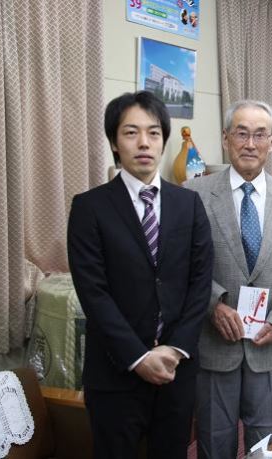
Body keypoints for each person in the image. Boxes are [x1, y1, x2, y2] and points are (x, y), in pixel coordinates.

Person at [67, 91, 214, 459]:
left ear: (164, 140)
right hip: (116, 372)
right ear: (115, 143)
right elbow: (93, 292)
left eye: (153, 132)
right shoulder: (89, 207)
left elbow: (200, 282)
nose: (144, 142)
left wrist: (174, 349)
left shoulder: (189, 204)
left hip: (175, 371)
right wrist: (138, 357)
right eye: (131, 133)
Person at [185, 100, 272, 459]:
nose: (250, 144)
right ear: (226, 139)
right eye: (241, 133)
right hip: (214, 343)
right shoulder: (194, 195)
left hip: (267, 345)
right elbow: (187, 266)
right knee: (214, 440)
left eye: (260, 135)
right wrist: (214, 305)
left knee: (264, 442)